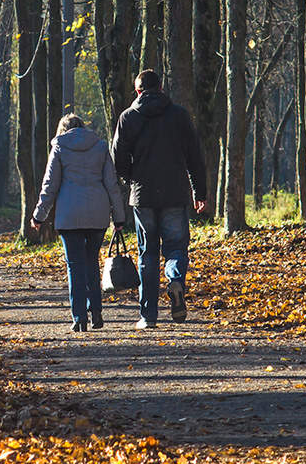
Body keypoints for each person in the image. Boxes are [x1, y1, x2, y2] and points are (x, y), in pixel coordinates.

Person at [111, 69, 208, 329]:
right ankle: (175, 280)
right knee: (176, 247)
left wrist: (131, 179)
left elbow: (117, 159)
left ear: (138, 91)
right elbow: (195, 157)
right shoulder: (179, 115)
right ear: (161, 89)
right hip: (175, 193)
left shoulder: (127, 118)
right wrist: (200, 192)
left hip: (142, 196)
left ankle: (148, 316)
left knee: (148, 254)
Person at [30, 114, 127, 332]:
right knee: (92, 261)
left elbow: (50, 185)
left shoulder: (59, 147)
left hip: (69, 215)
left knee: (75, 266)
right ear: (83, 127)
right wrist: (119, 217)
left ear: (62, 129)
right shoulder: (100, 146)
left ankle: (79, 317)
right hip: (98, 213)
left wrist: (39, 216)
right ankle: (97, 312)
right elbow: (111, 184)